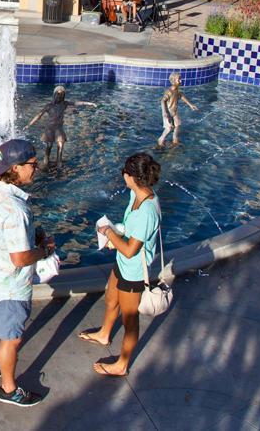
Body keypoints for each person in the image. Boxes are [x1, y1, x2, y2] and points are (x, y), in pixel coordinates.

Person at [0, 138, 55, 407]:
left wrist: (31, 235)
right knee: (11, 338)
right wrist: (43, 250)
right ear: (16, 167)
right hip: (8, 286)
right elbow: (19, 259)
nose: (37, 168)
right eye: (32, 163)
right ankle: (8, 389)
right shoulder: (17, 210)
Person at [81, 153, 164, 377]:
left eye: (124, 173)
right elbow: (129, 230)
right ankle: (104, 333)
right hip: (123, 263)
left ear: (131, 176)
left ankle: (122, 364)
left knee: (129, 320)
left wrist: (108, 233)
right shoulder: (136, 194)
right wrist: (116, 234)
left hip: (134, 271)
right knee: (111, 298)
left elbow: (130, 250)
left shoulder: (146, 211)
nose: (123, 177)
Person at [24, 86, 95, 166]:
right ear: (54, 95)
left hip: (58, 128)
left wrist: (90, 103)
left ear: (63, 96)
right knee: (49, 146)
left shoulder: (64, 104)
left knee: (60, 144)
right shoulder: (49, 106)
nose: (59, 96)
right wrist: (29, 124)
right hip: (49, 129)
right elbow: (39, 115)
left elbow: (77, 103)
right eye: (58, 94)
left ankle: (59, 162)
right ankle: (46, 160)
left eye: (61, 94)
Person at [156, 73, 197, 149]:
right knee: (169, 128)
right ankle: (161, 139)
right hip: (168, 113)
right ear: (173, 81)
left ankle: (175, 139)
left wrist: (190, 105)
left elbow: (181, 96)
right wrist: (165, 113)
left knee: (178, 125)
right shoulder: (169, 91)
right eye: (179, 79)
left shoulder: (177, 90)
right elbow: (163, 101)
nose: (181, 81)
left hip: (174, 113)